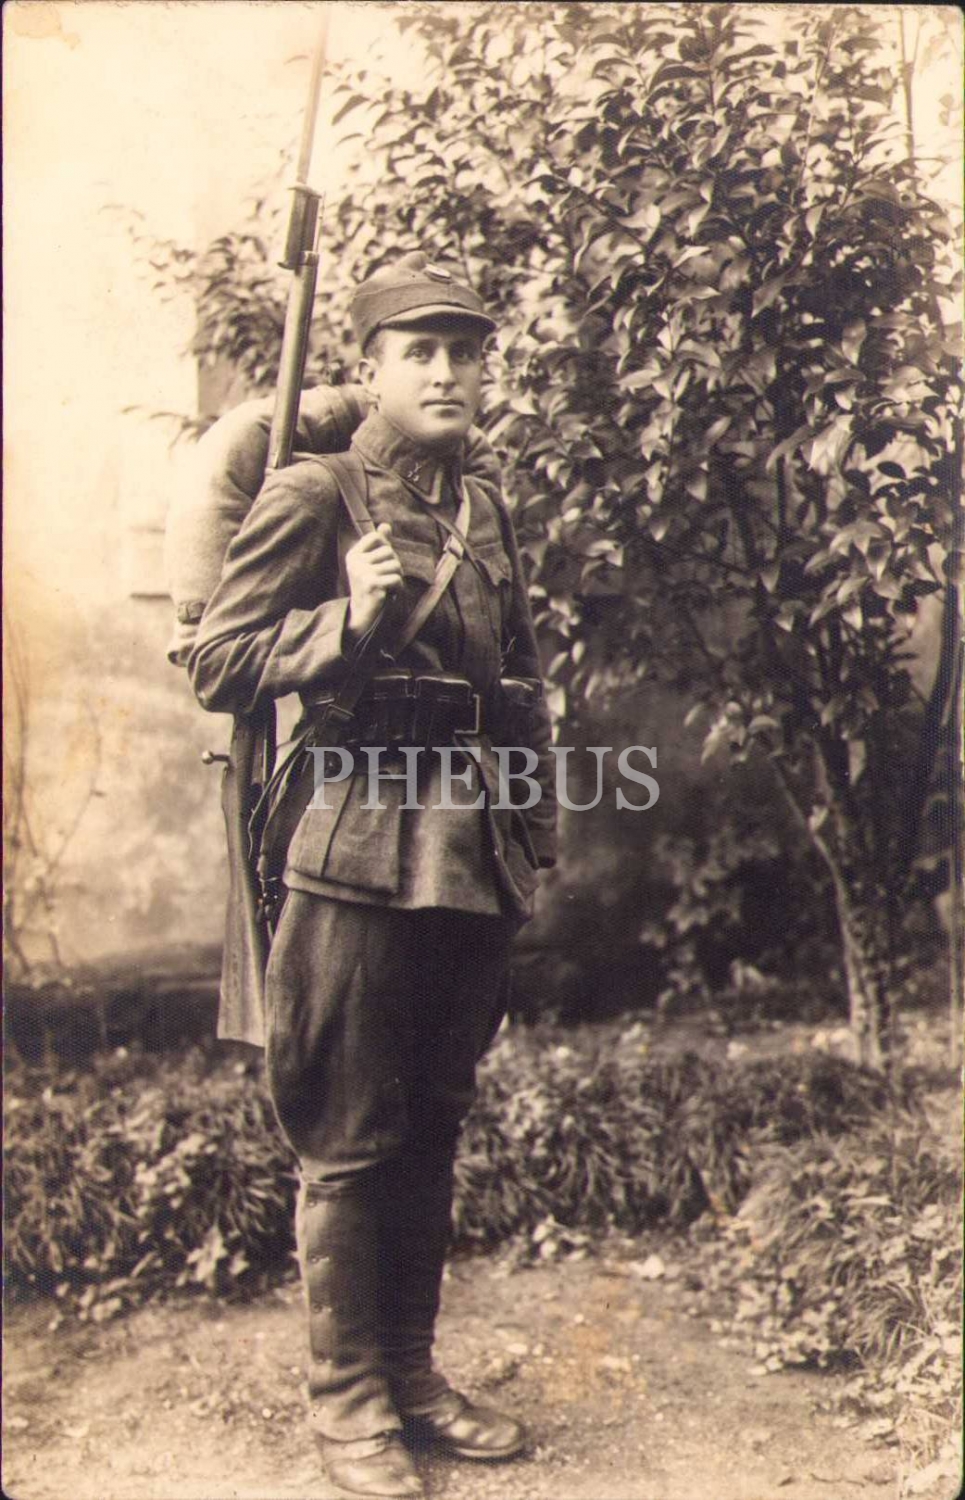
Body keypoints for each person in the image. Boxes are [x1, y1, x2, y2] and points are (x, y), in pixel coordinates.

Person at [188, 251, 557, 1498]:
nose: (447, 373)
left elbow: (518, 682)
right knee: (348, 1137)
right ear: (374, 368)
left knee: (433, 1121)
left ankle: (410, 1373)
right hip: (350, 840)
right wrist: (343, 617)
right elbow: (220, 659)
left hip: (467, 846)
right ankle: (348, 1405)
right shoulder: (316, 494)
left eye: (465, 352)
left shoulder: (486, 509)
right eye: (420, 352)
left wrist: (533, 825)